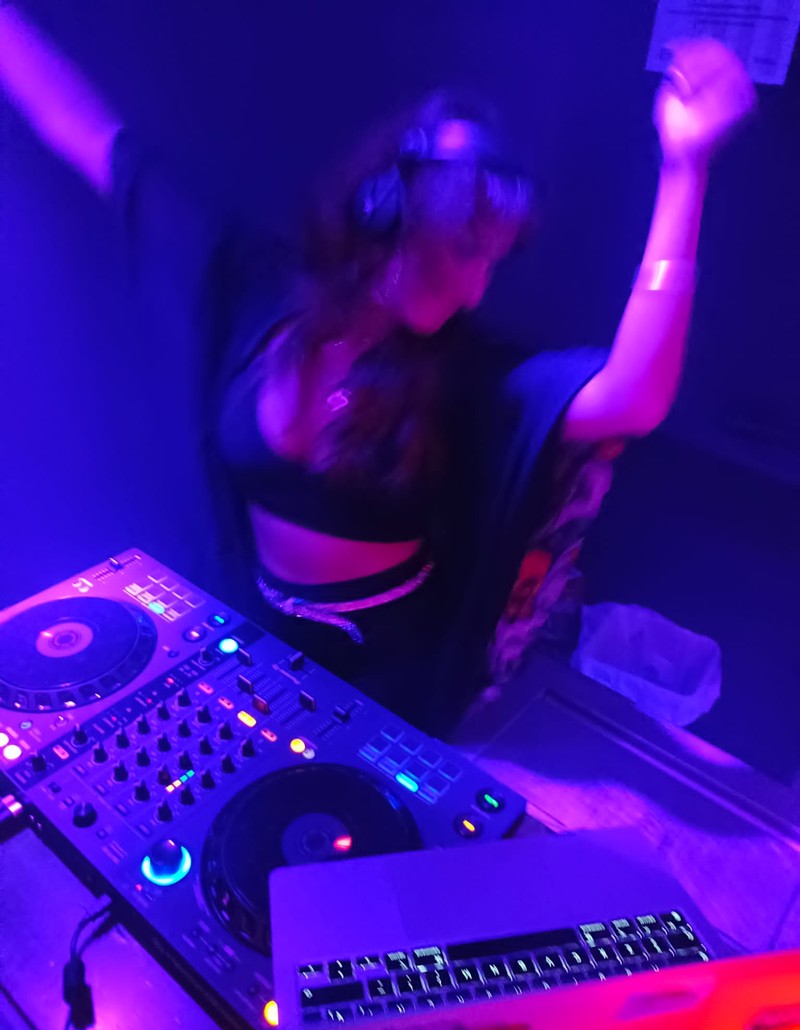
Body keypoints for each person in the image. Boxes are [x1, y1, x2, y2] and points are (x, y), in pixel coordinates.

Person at [0, 7, 757, 735]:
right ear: (382, 206)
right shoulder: (252, 283)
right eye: (467, 246)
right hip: (256, 647)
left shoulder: (472, 372)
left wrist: (685, 168)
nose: (475, 288)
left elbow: (635, 396)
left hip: (389, 689)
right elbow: (88, 133)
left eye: (493, 261)